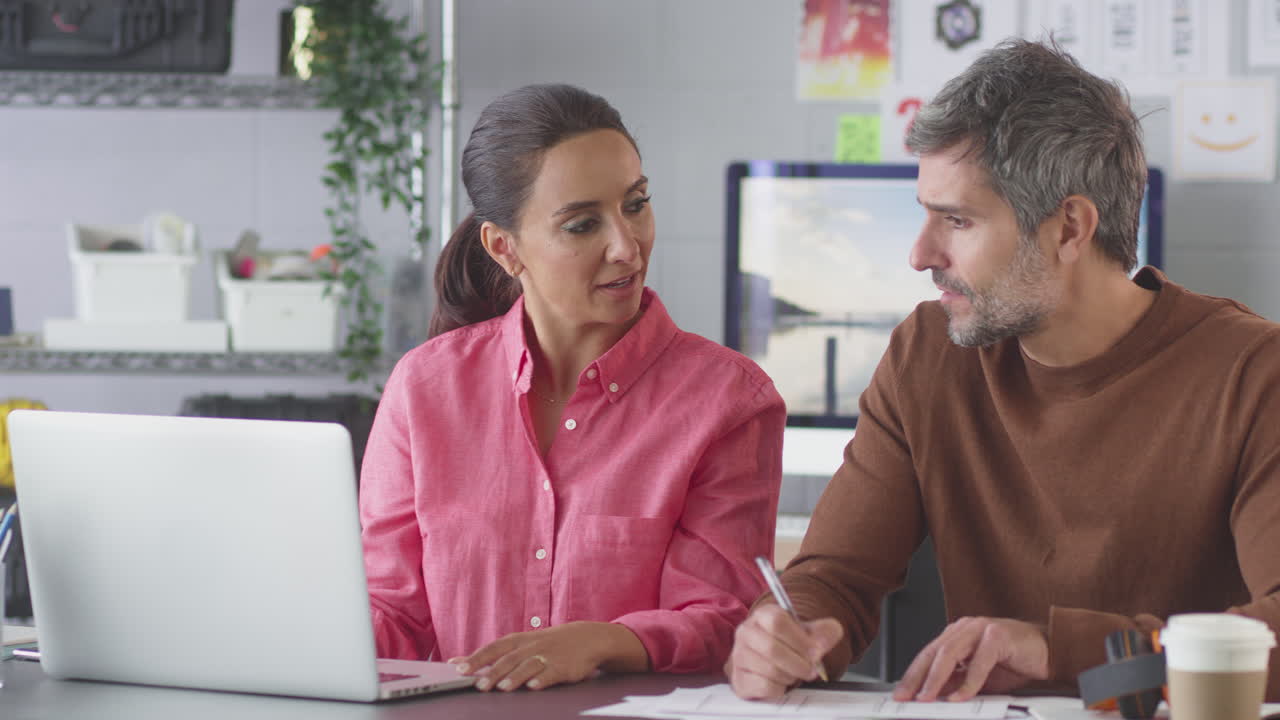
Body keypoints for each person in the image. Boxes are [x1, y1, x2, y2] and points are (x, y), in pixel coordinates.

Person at [727, 38, 1280, 702]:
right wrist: (784, 628)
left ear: (1070, 228)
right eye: (925, 216)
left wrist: (1062, 650)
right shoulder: (925, 355)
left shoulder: (1254, 374)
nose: (919, 254)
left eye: (957, 220)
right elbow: (836, 576)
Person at [360, 84, 785, 693]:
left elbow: (720, 620)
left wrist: (601, 641)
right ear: (504, 248)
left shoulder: (729, 400)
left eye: (636, 204)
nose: (626, 245)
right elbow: (392, 615)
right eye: (583, 224)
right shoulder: (423, 388)